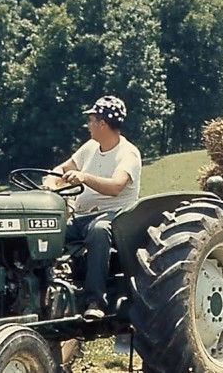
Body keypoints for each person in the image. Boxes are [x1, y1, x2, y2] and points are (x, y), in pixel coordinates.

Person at [45, 95, 142, 321]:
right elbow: (63, 168)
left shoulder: (128, 154)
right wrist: (51, 181)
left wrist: (85, 177)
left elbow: (116, 186)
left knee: (99, 231)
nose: (88, 125)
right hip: (81, 218)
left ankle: (95, 300)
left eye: (91, 120)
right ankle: (45, 291)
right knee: (49, 230)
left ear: (102, 124)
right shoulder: (90, 147)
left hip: (115, 218)